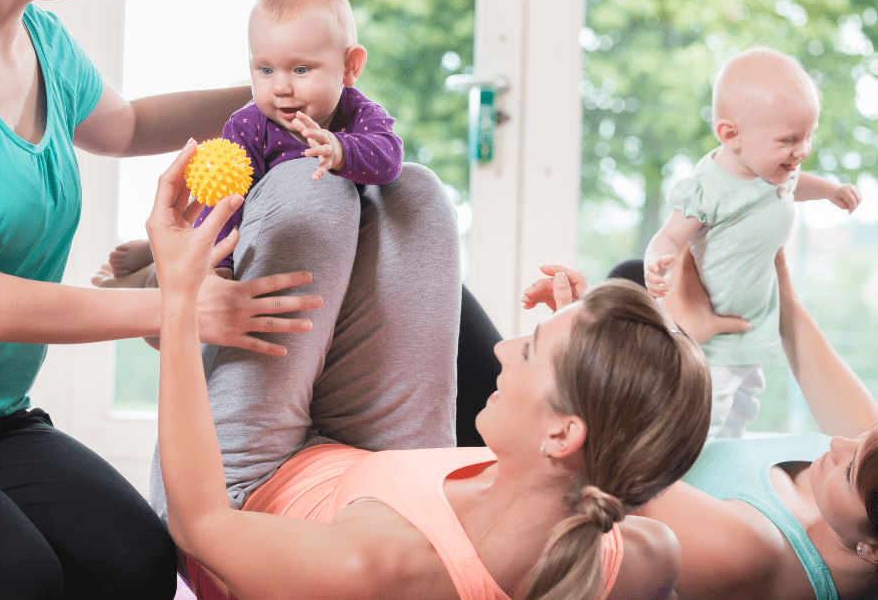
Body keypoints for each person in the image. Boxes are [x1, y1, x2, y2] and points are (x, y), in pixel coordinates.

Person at [0, 0, 317, 597]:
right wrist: (175, 308)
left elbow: (131, 124)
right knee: (15, 576)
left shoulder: (42, 45)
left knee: (137, 564)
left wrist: (280, 92)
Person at [146, 143, 714, 600]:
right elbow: (637, 436)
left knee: (310, 192)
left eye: (528, 350)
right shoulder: (645, 551)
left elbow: (199, 523)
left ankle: (146, 274)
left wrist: (178, 298)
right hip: (376, 464)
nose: (500, 349)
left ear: (564, 433)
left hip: (240, 488)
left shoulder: (374, 567)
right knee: (413, 195)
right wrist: (590, 341)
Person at [525, 249, 878, 600]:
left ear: (872, 550)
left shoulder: (749, 555)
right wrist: (773, 283)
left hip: (584, 449)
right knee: (634, 273)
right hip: (651, 437)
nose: (837, 443)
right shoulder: (866, 477)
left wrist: (591, 340)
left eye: (848, 471)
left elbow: (613, 452)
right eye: (861, 439)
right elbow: (789, 317)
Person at [99, 0, 403, 280]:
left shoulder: (359, 114)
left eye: (300, 69)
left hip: (342, 242)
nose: (281, 87)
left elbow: (389, 159)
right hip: (255, 232)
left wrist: (340, 149)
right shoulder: (249, 127)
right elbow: (228, 206)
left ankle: (160, 248)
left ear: (349, 66)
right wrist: (220, 268)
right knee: (209, 214)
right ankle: (156, 255)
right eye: (266, 70)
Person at [642, 47, 862, 438]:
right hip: (710, 340)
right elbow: (670, 235)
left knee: (743, 411)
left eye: (809, 135)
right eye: (789, 140)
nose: (803, 151)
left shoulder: (775, 171)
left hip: (752, 331)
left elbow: (797, 184)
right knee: (702, 424)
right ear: (730, 135)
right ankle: (690, 488)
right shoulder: (710, 188)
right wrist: (657, 260)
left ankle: (727, 470)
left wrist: (830, 190)